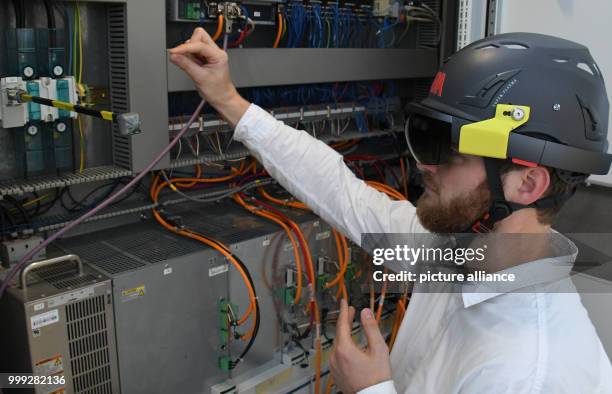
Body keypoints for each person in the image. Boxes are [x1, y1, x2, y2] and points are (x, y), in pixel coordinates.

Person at [169, 30, 612, 393]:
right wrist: (228, 99)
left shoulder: (531, 373)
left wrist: (370, 391)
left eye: (447, 150)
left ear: (527, 184)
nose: (424, 165)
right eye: (425, 139)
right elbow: (344, 193)